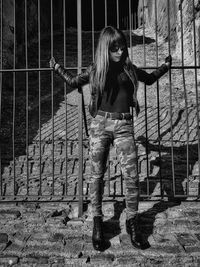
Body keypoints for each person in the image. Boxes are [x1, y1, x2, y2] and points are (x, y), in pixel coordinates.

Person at [49, 26, 172, 251]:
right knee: (96, 175)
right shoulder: (96, 70)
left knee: (132, 175)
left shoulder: (129, 69)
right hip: (100, 126)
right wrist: (57, 68)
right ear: (106, 48)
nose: (120, 50)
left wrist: (165, 66)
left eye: (122, 46)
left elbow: (150, 79)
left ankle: (132, 222)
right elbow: (74, 82)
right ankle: (98, 224)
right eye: (114, 47)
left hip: (124, 125)